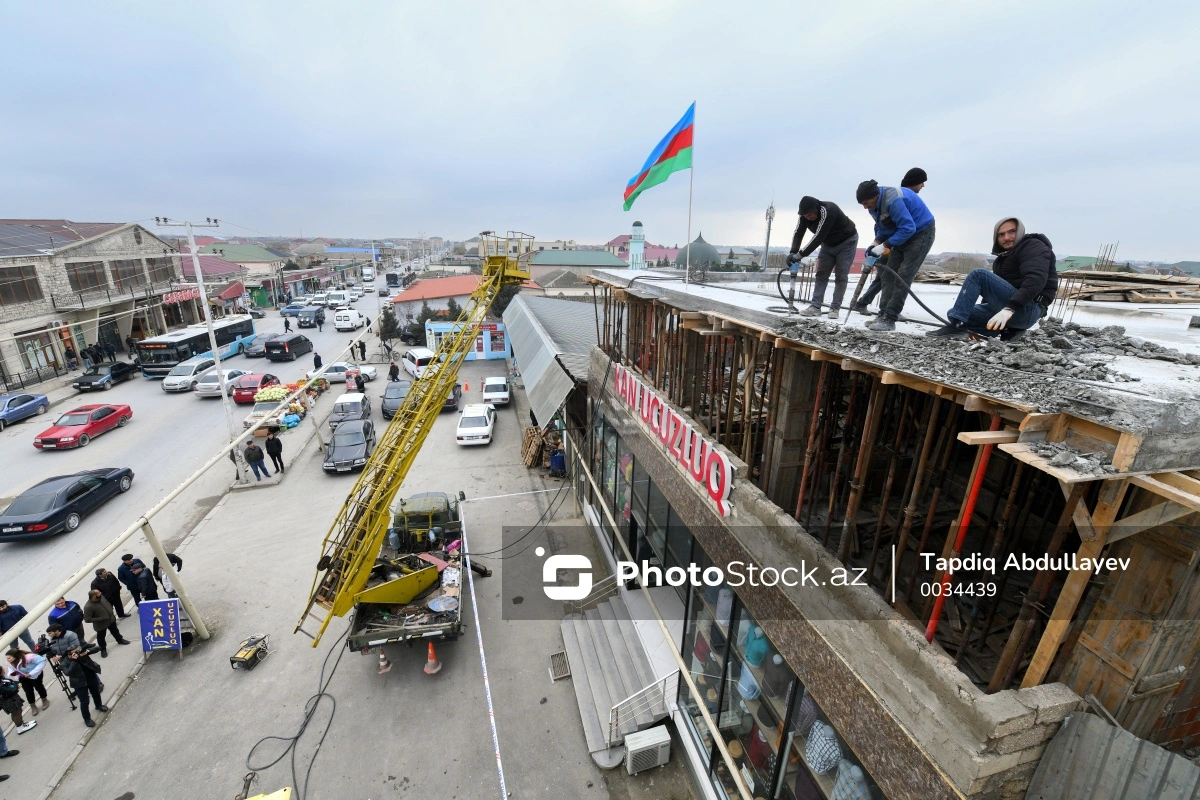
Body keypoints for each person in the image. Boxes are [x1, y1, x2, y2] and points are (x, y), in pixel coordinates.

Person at [927, 217, 1057, 340]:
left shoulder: (1033, 246)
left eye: (1012, 232)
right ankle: (1002, 331)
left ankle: (957, 327)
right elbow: (992, 293)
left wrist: (1010, 309)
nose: (1006, 237)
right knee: (956, 313)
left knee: (978, 274)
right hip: (1013, 310)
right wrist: (977, 327)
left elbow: (1035, 280)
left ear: (1020, 232)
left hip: (1029, 308)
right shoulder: (1001, 260)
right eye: (1001, 234)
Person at [856, 179, 936, 331]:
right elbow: (883, 227)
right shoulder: (874, 207)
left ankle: (890, 318)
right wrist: (876, 243)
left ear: (876, 196)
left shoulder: (894, 200)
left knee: (903, 275)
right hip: (901, 233)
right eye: (862, 204)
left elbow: (908, 228)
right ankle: (883, 314)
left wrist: (884, 246)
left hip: (921, 233)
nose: (865, 207)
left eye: (866, 202)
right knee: (887, 274)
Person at [786, 196, 860, 319]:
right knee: (821, 274)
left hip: (846, 242)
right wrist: (793, 252)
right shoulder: (804, 216)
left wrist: (800, 255)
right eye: (805, 216)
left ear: (816, 209)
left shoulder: (828, 211)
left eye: (810, 215)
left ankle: (835, 308)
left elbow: (818, 237)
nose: (808, 218)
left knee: (841, 275)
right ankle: (815, 307)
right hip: (827, 244)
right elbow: (798, 233)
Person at [47, 626, 106, 728]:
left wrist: (87, 652)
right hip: (79, 683)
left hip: (90, 676)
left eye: (77, 651)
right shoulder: (65, 662)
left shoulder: (81, 653)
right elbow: (68, 673)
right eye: (74, 652)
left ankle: (99, 705)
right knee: (84, 701)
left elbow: (98, 648)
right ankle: (87, 719)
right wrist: (74, 661)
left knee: (96, 693)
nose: (77, 653)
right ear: (69, 654)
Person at [83, 590, 129, 657]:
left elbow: (107, 603)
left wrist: (110, 609)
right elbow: (87, 619)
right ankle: (103, 649)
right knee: (101, 638)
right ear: (93, 596)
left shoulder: (101, 597)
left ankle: (120, 640)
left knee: (115, 631)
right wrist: (101, 618)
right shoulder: (88, 606)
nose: (100, 593)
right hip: (101, 625)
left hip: (111, 620)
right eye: (98, 593)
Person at [5, 649, 49, 717]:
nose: (7, 660)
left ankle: (44, 700)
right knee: (28, 691)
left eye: (9, 658)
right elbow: (11, 669)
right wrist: (12, 673)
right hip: (23, 677)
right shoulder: (9, 662)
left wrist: (31, 673)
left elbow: (42, 661)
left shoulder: (29, 657)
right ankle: (33, 706)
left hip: (35, 675)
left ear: (15, 656)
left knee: (39, 687)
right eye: (6, 658)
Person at [1, 663, 35, 734]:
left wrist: (16, 683)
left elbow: (12, 682)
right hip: (8, 701)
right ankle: (20, 727)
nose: (4, 670)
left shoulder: (2, 679)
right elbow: (11, 691)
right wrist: (17, 686)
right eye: (2, 669)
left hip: (12, 699)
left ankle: (21, 724)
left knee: (17, 711)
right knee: (16, 712)